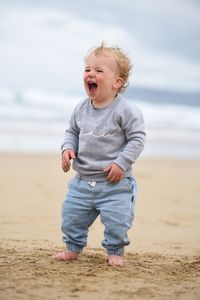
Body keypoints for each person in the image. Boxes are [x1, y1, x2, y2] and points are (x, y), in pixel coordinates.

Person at [55, 43, 146, 266]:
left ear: (117, 82)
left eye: (98, 71)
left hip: (115, 182)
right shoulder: (80, 108)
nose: (90, 74)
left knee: (118, 221)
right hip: (83, 181)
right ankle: (73, 247)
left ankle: (115, 251)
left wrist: (122, 163)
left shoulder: (126, 110)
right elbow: (72, 132)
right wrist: (67, 148)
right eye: (87, 69)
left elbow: (137, 138)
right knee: (71, 217)